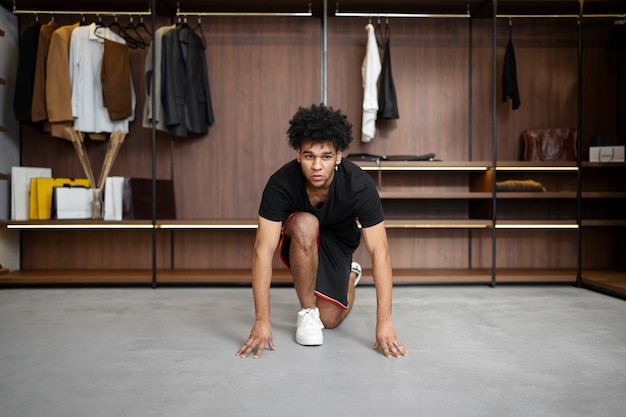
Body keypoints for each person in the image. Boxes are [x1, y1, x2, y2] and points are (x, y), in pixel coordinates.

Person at [236, 104, 408, 359]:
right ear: (298, 154)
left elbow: (380, 253)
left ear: (339, 156)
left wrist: (384, 322)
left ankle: (350, 274)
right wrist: (262, 320)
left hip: (339, 243)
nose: (317, 165)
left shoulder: (359, 186)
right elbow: (262, 251)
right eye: (309, 156)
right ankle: (307, 312)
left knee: (330, 319)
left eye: (326, 156)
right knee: (307, 224)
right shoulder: (280, 184)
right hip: (302, 236)